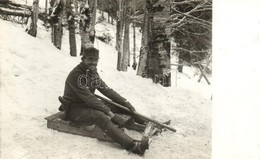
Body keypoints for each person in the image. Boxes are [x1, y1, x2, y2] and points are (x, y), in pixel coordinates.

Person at [60, 47, 149, 155]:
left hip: (87, 104)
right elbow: (89, 98)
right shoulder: (77, 75)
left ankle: (145, 123)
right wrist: (110, 114)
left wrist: (124, 102)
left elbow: (106, 90)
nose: (93, 62)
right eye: (90, 59)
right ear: (83, 59)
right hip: (74, 109)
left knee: (119, 106)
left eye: (95, 60)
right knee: (101, 116)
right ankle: (133, 146)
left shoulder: (92, 73)